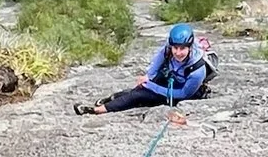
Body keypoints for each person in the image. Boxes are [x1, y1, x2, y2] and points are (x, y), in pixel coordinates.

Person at [76, 23, 214, 115]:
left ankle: (96, 110)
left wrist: (152, 86)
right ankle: (113, 98)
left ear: (190, 47)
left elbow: (183, 94)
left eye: (182, 48)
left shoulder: (197, 70)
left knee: (140, 95)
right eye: (175, 48)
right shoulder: (169, 47)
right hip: (172, 78)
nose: (178, 52)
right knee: (140, 89)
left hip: (182, 91)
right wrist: (149, 76)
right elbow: (159, 59)